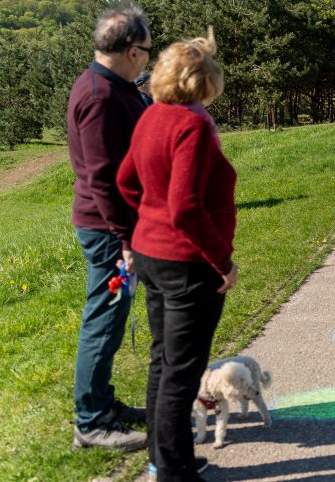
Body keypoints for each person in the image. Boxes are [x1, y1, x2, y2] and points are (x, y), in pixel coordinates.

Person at [117, 28, 237, 481]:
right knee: (181, 375)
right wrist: (221, 262)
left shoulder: (152, 116)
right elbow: (186, 207)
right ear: (202, 81)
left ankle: (163, 459)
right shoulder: (190, 125)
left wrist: (145, 222)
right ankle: (174, 473)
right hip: (187, 264)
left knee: (162, 362)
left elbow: (127, 181)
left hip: (152, 254)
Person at [67, 4, 150, 451]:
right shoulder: (100, 97)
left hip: (113, 228)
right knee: (104, 320)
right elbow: (101, 178)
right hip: (108, 231)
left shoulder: (111, 87)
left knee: (111, 319)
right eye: (147, 50)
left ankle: (103, 404)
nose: (149, 59)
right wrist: (126, 239)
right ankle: (91, 421)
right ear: (131, 50)